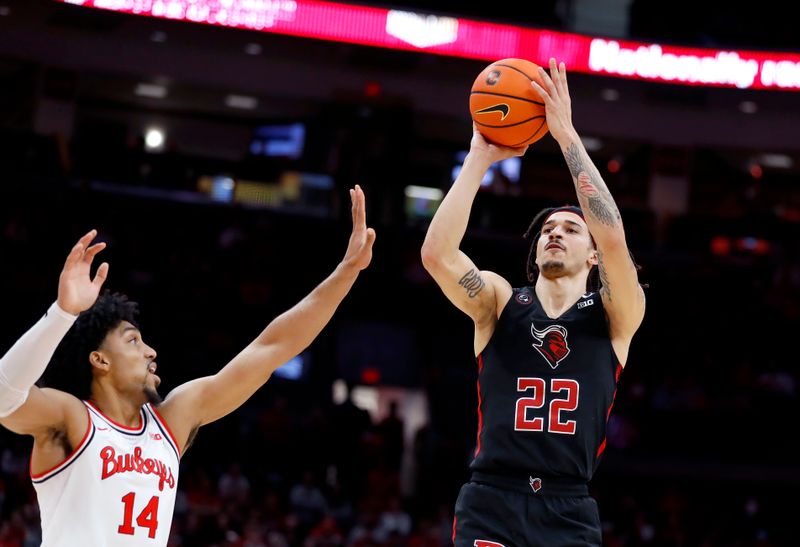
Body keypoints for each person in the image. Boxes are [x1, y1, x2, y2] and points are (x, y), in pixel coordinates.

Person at [0, 185, 375, 546]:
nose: (151, 352)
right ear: (99, 360)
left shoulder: (171, 421)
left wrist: (345, 274)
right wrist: (63, 313)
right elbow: (5, 398)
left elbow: (271, 349)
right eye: (133, 340)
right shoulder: (72, 419)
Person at [421, 58, 645, 546]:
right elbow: (437, 255)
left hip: (568, 507)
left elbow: (613, 235)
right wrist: (478, 157)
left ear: (592, 256)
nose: (555, 234)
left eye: (569, 229)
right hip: (492, 499)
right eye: (547, 229)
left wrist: (566, 137)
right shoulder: (501, 301)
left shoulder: (614, 314)